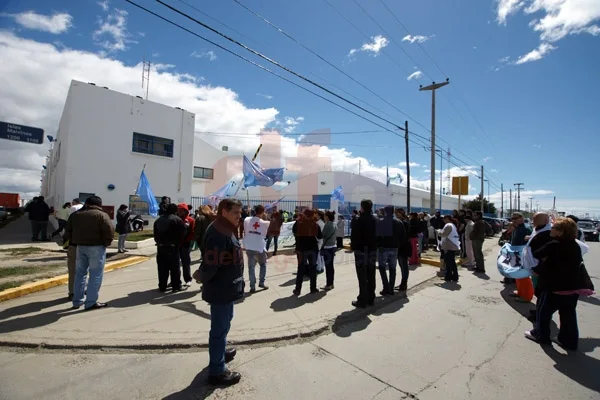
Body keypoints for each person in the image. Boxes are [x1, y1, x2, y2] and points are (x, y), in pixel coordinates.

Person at [196, 198, 244, 386]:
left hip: (227, 287)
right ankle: (217, 370)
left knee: (224, 324)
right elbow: (211, 264)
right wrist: (201, 275)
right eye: (236, 213)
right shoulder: (218, 233)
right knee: (219, 328)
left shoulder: (224, 228)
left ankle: (220, 352)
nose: (239, 217)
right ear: (224, 211)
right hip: (221, 289)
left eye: (240, 213)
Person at [525, 217, 585, 350]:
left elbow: (538, 254)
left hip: (554, 288)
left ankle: (541, 335)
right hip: (572, 288)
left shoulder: (554, 244)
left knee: (543, 313)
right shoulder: (575, 245)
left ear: (560, 232)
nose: (550, 229)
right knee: (568, 315)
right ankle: (569, 341)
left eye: (553, 227)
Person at [64, 196, 114, 310]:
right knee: (95, 275)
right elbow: (109, 231)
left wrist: (75, 241)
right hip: (97, 247)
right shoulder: (102, 215)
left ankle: (76, 301)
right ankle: (90, 302)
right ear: (99, 204)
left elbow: (67, 231)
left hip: (80, 247)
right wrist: (106, 243)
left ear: (86, 203)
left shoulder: (76, 215)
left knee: (80, 274)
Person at [523, 212, 553, 322]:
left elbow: (545, 255)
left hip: (539, 270)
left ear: (545, 220)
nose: (533, 221)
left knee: (541, 293)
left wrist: (538, 269)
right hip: (534, 268)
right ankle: (538, 310)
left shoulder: (547, 233)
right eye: (533, 219)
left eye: (536, 219)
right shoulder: (539, 229)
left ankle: (540, 315)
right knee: (538, 291)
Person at [350, 200, 378, 308]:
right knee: (371, 275)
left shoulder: (358, 220)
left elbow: (354, 236)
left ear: (362, 207)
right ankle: (371, 298)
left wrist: (354, 247)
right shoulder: (376, 219)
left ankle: (362, 300)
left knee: (362, 276)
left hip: (361, 251)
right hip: (372, 250)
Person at [153, 203, 186, 292]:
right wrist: (178, 244)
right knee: (174, 268)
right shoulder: (177, 220)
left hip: (160, 248)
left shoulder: (158, 220)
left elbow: (155, 234)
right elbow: (182, 234)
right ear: (175, 211)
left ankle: (162, 286)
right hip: (172, 248)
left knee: (162, 268)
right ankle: (176, 286)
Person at [292, 209, 322, 295]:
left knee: (301, 269)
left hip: (301, 249)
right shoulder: (315, 224)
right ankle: (313, 288)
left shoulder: (298, 224)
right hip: (312, 249)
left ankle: (298, 289)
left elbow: (294, 231)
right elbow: (320, 236)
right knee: (313, 269)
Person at [243, 205, 270, 292]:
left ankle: (252, 286)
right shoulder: (265, 223)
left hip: (249, 246)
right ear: (262, 212)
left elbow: (245, 231)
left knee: (251, 267)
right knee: (263, 265)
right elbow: (264, 235)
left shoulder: (246, 220)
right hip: (259, 247)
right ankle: (261, 283)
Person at [377, 205, 403, 295]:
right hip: (394, 248)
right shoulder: (399, 222)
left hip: (383, 248)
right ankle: (391, 288)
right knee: (393, 269)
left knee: (382, 267)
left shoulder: (381, 222)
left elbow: (377, 235)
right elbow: (403, 236)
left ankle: (386, 287)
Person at [511, 212, 534, 300]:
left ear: (521, 218)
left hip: (522, 255)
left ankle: (526, 296)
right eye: (512, 219)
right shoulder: (517, 228)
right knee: (517, 275)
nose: (513, 220)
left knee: (524, 276)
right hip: (516, 253)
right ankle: (520, 292)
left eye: (515, 218)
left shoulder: (526, 228)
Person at [177, 203, 196, 286]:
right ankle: (175, 280)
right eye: (178, 210)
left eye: (181, 210)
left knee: (186, 263)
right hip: (176, 245)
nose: (179, 212)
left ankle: (188, 279)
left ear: (185, 211)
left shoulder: (190, 220)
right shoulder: (176, 219)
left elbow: (192, 233)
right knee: (175, 263)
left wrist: (186, 241)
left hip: (185, 245)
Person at [439, 215, 460, 283]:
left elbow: (444, 234)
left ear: (447, 219)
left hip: (449, 246)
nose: (443, 221)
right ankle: (454, 276)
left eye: (444, 219)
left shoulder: (448, 225)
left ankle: (448, 276)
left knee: (448, 262)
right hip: (453, 245)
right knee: (452, 262)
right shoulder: (453, 225)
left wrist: (438, 232)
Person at [395, 207, 411, 291]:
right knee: (402, 266)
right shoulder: (402, 222)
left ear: (401, 213)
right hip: (401, 247)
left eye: (397, 213)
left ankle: (404, 284)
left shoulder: (404, 222)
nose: (396, 214)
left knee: (404, 266)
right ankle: (403, 283)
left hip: (403, 247)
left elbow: (404, 236)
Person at [321, 211, 337, 290]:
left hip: (327, 247)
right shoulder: (334, 224)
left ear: (327, 217)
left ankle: (329, 284)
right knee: (331, 266)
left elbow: (322, 235)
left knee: (328, 267)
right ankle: (331, 283)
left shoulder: (327, 225)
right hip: (333, 246)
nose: (324, 217)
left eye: (324, 216)